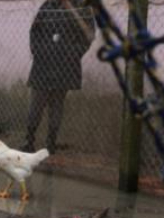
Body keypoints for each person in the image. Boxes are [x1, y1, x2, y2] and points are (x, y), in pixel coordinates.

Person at [24, 0, 95, 153]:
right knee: (36, 104)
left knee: (56, 105)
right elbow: (34, 31)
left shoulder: (82, 8)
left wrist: (72, 55)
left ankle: (50, 144)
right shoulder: (48, 5)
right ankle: (29, 142)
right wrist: (39, 51)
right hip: (43, 65)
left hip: (65, 67)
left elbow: (89, 36)